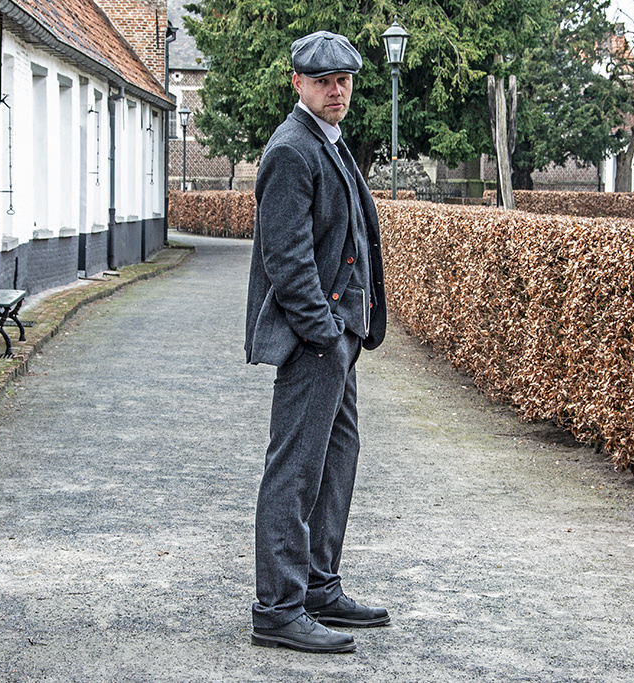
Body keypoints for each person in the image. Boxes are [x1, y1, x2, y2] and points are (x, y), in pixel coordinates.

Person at [244, 30, 389, 654]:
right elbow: (287, 260)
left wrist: (348, 330)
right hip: (317, 340)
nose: (338, 90)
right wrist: (326, 336)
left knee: (336, 462)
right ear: (297, 82)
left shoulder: (329, 142)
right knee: (295, 470)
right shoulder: (291, 150)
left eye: (345, 80)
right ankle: (277, 607)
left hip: (342, 334)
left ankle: (318, 585)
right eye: (324, 80)